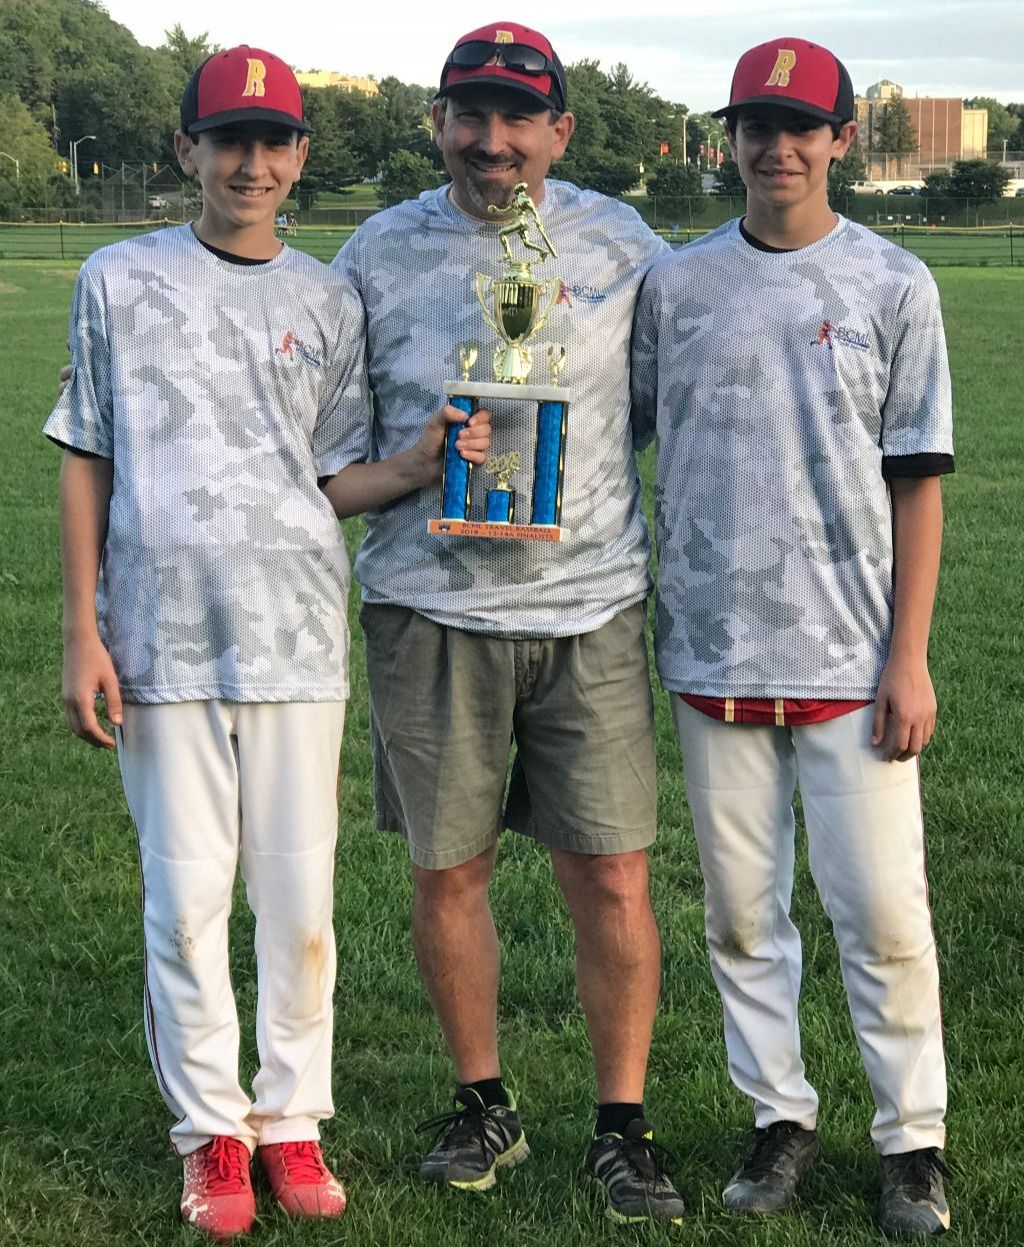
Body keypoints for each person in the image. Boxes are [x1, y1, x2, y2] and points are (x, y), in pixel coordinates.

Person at [45, 45, 488, 1241]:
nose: (251, 161)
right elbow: (88, 452)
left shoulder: (324, 294)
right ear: (184, 149)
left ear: (300, 156)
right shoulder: (118, 279)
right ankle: (211, 1134)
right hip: (158, 639)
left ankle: (291, 1118)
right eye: (226, 139)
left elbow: (336, 475)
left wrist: (428, 461)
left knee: (298, 896)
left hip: (296, 634)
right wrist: (82, 626)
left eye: (274, 141)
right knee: (186, 896)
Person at [332, 20, 684, 1225]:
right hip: (429, 607)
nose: (493, 142)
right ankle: (484, 1100)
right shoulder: (376, 252)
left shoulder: (624, 244)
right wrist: (423, 462)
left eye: (517, 118)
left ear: (560, 131)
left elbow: (652, 408)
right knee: (451, 870)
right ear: (437, 121)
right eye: (468, 116)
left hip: (588, 606)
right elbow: (337, 444)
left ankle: (621, 1125)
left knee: (612, 871)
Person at [631, 37, 953, 1239]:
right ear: (730, 137)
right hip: (711, 647)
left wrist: (907, 653)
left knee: (880, 911)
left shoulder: (891, 283)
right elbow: (629, 428)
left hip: (852, 657)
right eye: (755, 124)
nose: (776, 146)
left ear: (841, 138)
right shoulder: (678, 284)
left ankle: (910, 1137)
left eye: (799, 125)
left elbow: (916, 482)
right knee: (740, 911)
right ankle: (778, 1115)